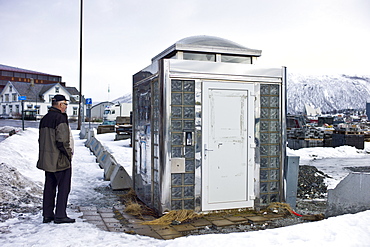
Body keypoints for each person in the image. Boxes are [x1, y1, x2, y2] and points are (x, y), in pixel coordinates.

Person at [36, 94, 75, 224]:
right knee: (64, 187)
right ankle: (60, 215)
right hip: (60, 159)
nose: (66, 107)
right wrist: (68, 155)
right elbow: (62, 141)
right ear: (59, 104)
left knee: (49, 187)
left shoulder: (45, 118)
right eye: (65, 104)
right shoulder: (60, 118)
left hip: (47, 159)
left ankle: (47, 215)